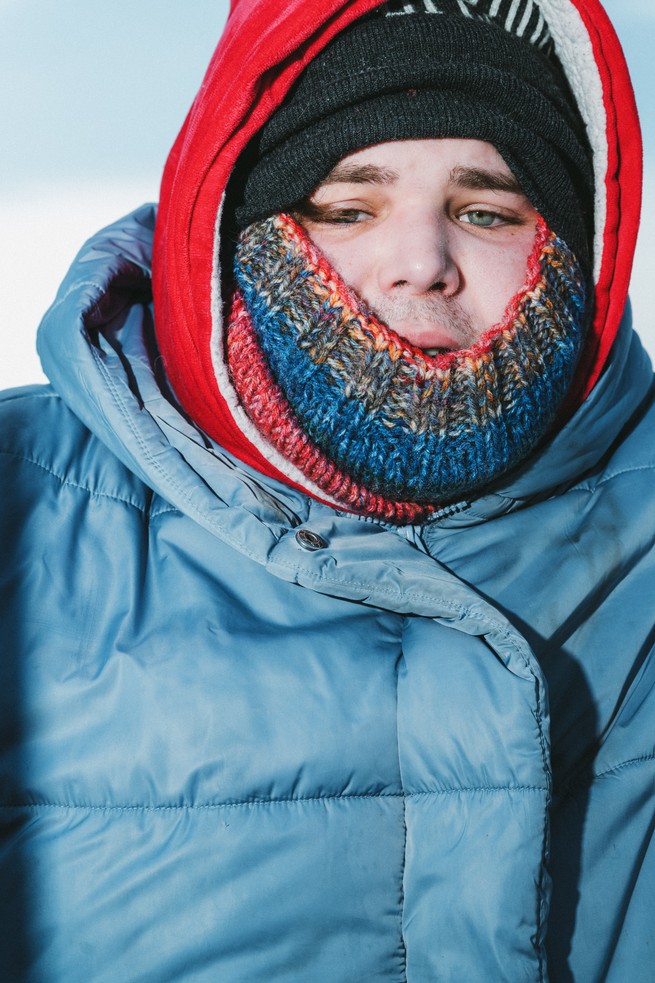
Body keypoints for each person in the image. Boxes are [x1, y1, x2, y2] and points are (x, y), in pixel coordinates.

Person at [0, 0, 652, 980]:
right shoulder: (23, 510)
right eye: (348, 206)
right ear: (230, 231)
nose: (421, 265)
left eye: (485, 210)